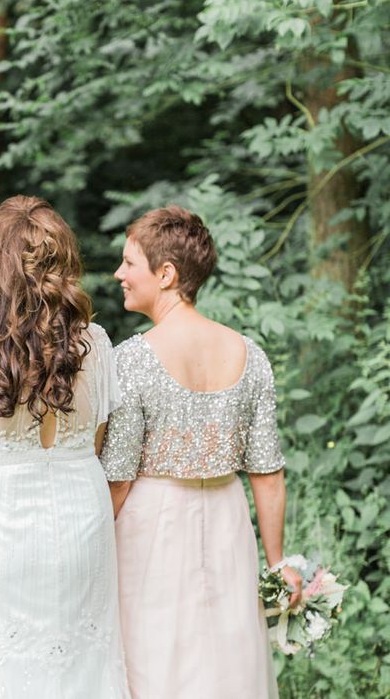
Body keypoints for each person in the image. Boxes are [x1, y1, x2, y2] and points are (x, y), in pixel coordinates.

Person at [100, 205, 302, 699]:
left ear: (165, 274)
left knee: (158, 653)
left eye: (129, 263)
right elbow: (268, 474)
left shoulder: (133, 358)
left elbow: (119, 479)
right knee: (228, 651)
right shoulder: (249, 353)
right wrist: (276, 564)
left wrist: (94, 548)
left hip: (153, 526)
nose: (119, 274)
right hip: (229, 518)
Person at [0, 195, 130, 699]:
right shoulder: (99, 345)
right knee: (83, 662)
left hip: (1, 528)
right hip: (83, 521)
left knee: (1, 667)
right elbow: (96, 442)